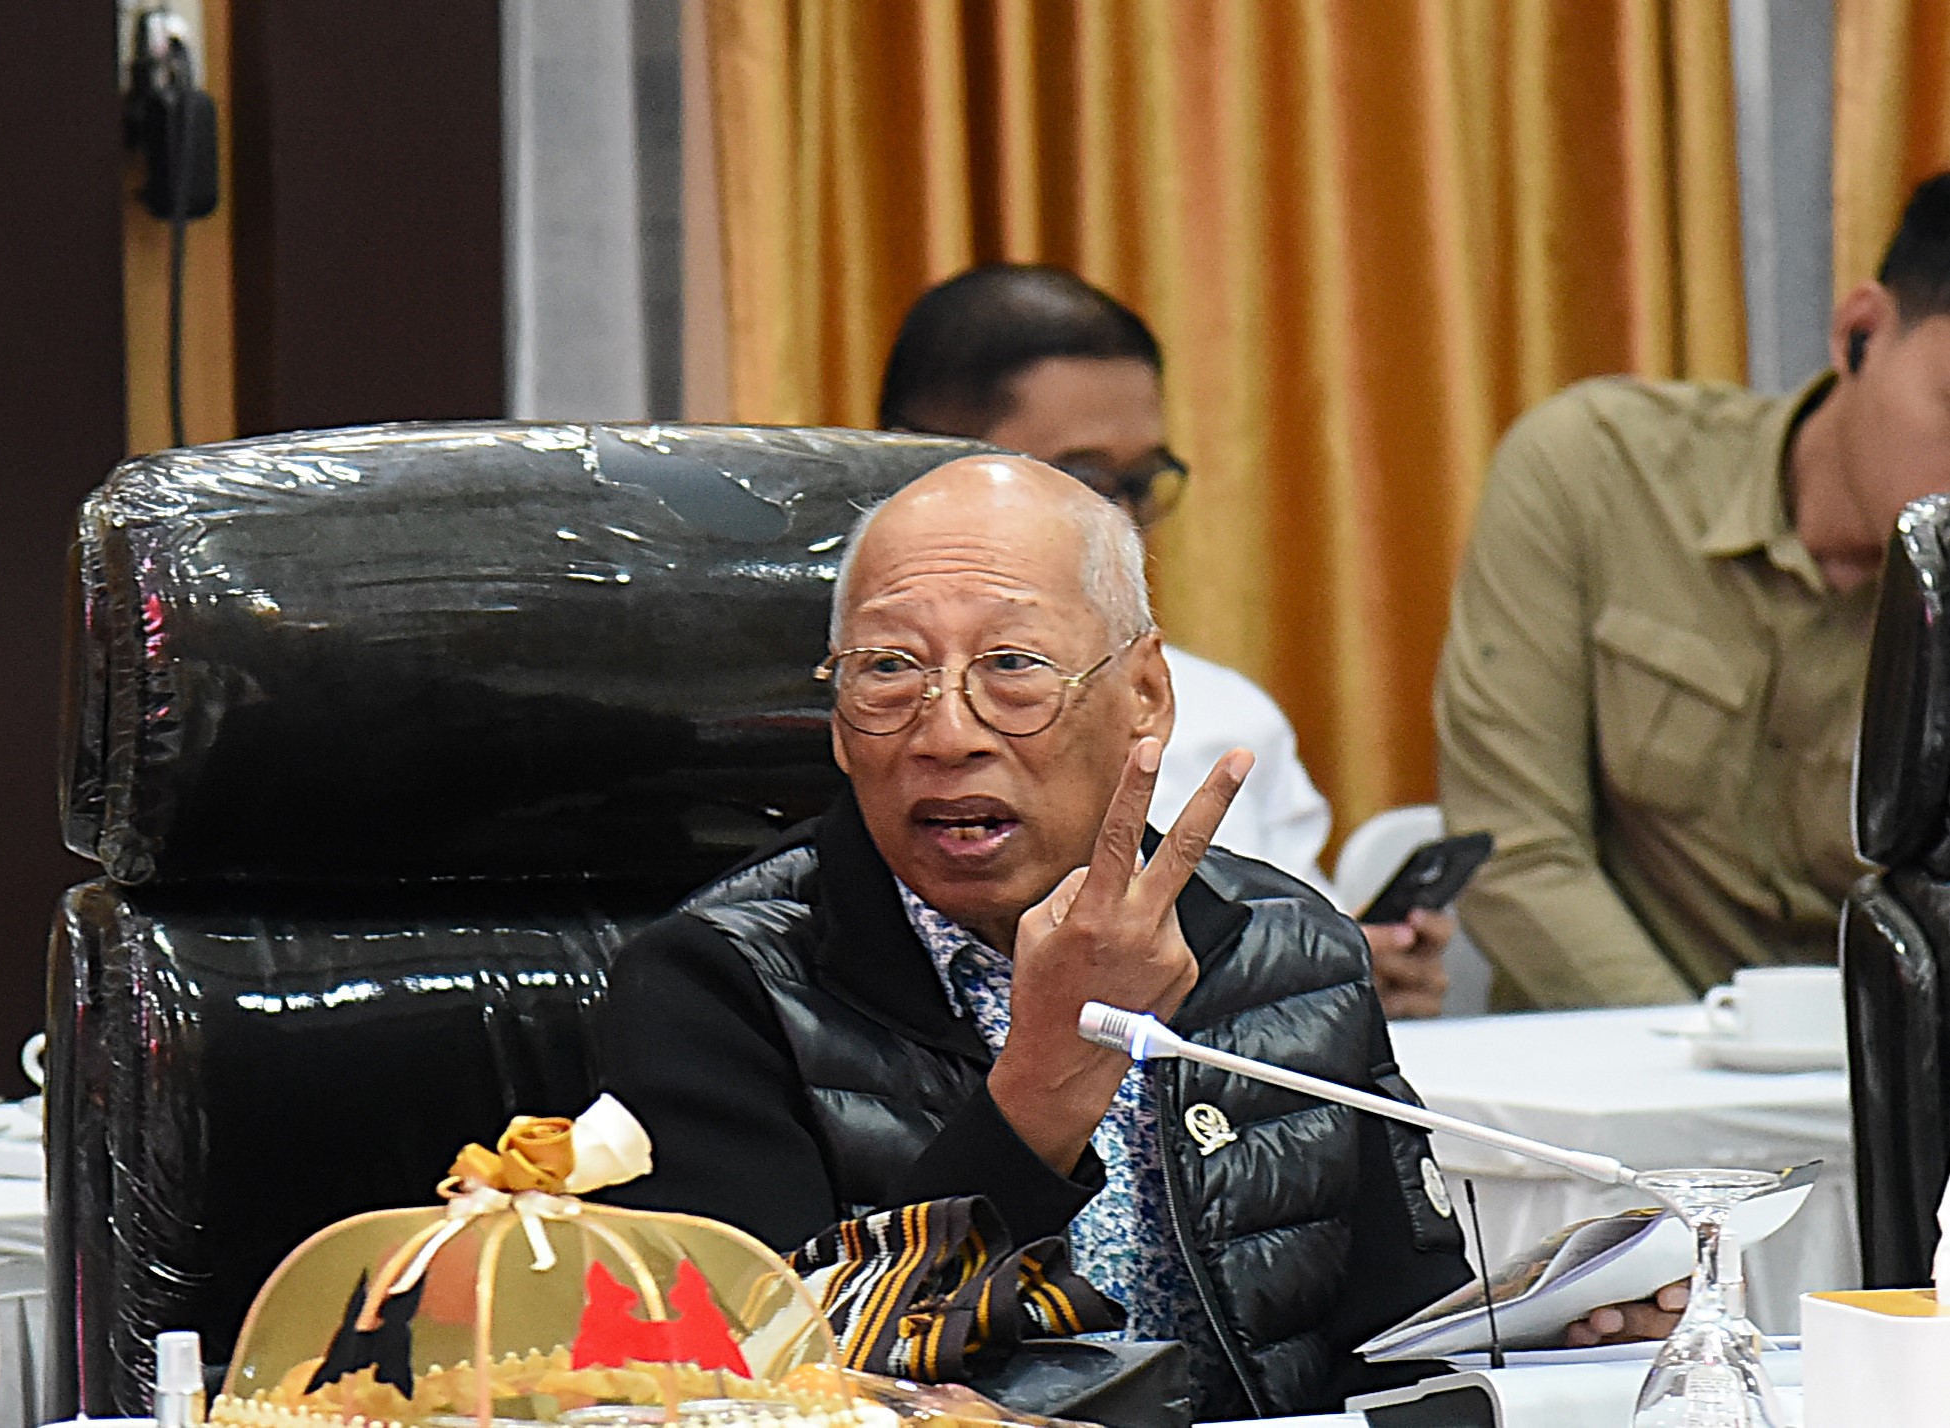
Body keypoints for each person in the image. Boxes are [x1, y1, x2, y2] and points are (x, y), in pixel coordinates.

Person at [598, 456, 1677, 1417]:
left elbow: (1386, 1351)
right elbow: (745, 1382)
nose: (946, 733)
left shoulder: (1287, 952)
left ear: (1145, 695)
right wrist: (1045, 1081)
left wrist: (1538, 1346)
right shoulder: (713, 984)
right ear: (838, 723)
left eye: (1011, 664)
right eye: (887, 670)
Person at [878, 263, 1451, 1018]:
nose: (1121, 524)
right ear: (917, 468)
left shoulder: (1227, 720)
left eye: (1144, 481)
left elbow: (1291, 957)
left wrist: (1346, 987)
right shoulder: (867, 722)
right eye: (1081, 479)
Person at [1435, 172, 1950, 1009]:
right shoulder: (1597, 472)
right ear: (1860, 332)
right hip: (1607, 1060)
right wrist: (1696, 1050)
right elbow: (1516, 849)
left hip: (1878, 1073)